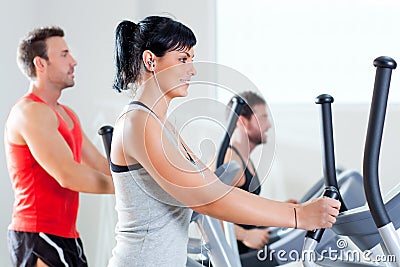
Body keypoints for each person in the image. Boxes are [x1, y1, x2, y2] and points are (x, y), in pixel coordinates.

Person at [108, 16, 340, 267]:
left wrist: (287, 210)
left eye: (192, 59)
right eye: (183, 59)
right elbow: (207, 198)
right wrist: (298, 216)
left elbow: (214, 188)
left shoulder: (163, 125)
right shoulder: (138, 123)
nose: (192, 70)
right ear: (151, 60)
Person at [4, 26, 114, 267]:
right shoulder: (29, 112)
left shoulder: (67, 114)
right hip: (37, 233)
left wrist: (144, 179)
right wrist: (128, 190)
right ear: (40, 64)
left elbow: (100, 165)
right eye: (64, 54)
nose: (73, 61)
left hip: (68, 234)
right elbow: (68, 175)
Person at [225, 91, 297, 266]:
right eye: (263, 118)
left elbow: (243, 208)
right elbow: (207, 213)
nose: (268, 125)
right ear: (243, 121)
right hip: (235, 258)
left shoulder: (245, 158)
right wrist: (246, 235)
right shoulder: (231, 161)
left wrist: (282, 209)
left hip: (249, 250)